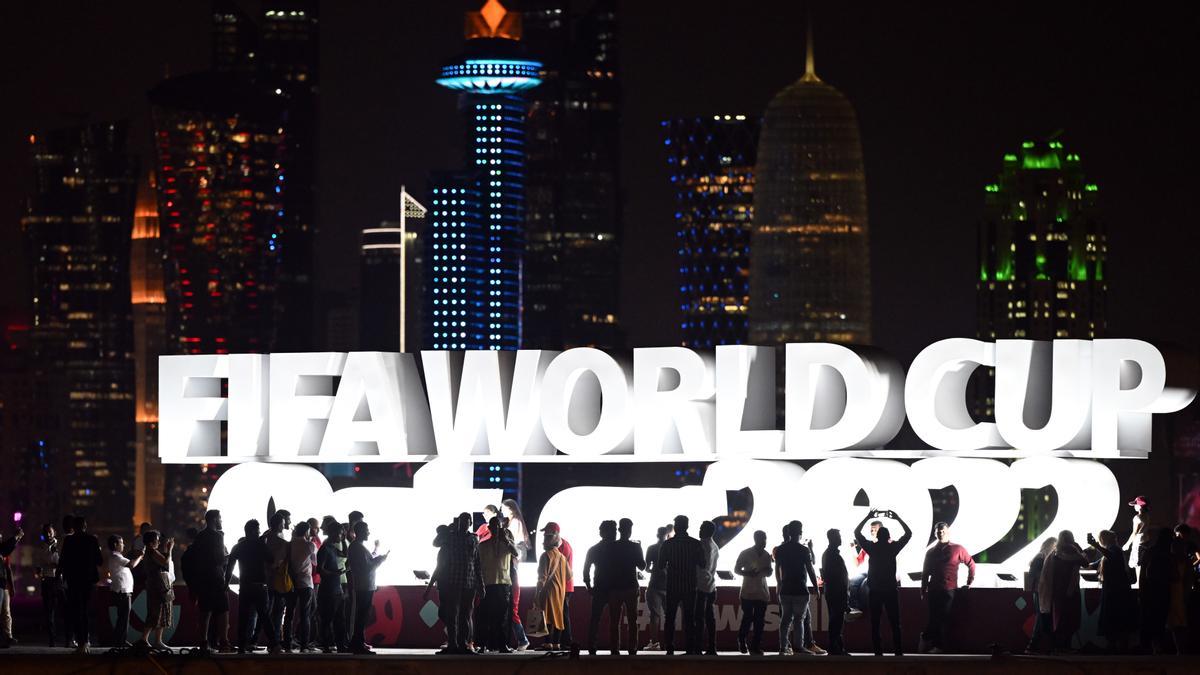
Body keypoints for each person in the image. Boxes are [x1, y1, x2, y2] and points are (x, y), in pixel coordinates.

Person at [853, 509, 912, 656]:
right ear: (889, 537)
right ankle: (898, 651)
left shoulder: (872, 547)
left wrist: (868, 516)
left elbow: (857, 532)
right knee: (895, 622)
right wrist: (898, 517)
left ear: (877, 536)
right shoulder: (893, 548)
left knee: (875, 623)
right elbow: (908, 534)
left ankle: (878, 652)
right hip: (890, 589)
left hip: (875, 590)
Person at [919, 522, 976, 654]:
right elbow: (925, 572)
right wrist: (923, 588)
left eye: (943, 531)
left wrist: (969, 582)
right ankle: (933, 644)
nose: (940, 533)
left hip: (949, 589)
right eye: (938, 532)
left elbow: (971, 564)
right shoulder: (931, 552)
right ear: (935, 534)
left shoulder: (957, 548)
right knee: (935, 617)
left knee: (943, 617)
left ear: (948, 532)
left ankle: (931, 642)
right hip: (934, 589)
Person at [226, 519, 279, 654]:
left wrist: (226, 583)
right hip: (260, 586)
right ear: (253, 531)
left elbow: (230, 566)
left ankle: (242, 646)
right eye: (258, 530)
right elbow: (271, 559)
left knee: (243, 616)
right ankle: (274, 644)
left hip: (245, 586)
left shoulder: (239, 546)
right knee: (265, 616)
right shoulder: (261, 546)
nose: (259, 532)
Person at [436, 513, 484, 654]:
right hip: (454, 581)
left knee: (465, 615)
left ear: (470, 523)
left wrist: (480, 584)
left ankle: (463, 644)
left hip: (469, 582)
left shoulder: (473, 538)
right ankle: (453, 644)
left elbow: (477, 562)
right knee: (452, 615)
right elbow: (436, 543)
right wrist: (450, 530)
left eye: (466, 521)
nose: (464, 524)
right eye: (461, 521)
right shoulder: (451, 537)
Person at [775, 520, 822, 656]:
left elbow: (777, 568)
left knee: (785, 619)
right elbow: (810, 570)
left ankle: (783, 647)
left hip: (785, 589)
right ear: (800, 532)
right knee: (799, 619)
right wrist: (816, 587)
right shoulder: (803, 550)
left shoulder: (781, 550)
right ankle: (798, 646)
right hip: (800, 590)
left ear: (788, 532)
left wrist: (779, 583)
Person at [657, 514, 703, 655]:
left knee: (670, 618)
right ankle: (690, 648)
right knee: (689, 619)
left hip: (672, 586)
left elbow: (660, 565)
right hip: (690, 586)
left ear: (675, 527)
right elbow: (703, 563)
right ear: (687, 526)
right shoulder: (695, 544)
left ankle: (670, 647)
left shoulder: (668, 544)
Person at [1037, 530, 1088, 652]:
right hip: (1070, 590)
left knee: (1059, 619)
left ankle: (1057, 646)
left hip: (1057, 591)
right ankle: (1066, 646)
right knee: (1070, 619)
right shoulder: (1071, 549)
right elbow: (1085, 563)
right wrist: (1078, 547)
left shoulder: (1055, 552)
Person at [1086, 530, 1134, 653]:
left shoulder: (1115, 550)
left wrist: (1095, 546)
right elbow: (1093, 564)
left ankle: (1116, 646)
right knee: (1116, 617)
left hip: (1116, 590)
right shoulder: (1111, 551)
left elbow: (1110, 557)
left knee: (1114, 616)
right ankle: (1117, 646)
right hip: (1115, 589)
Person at [60, 515, 102, 654]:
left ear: (74, 527)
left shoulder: (69, 540)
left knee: (76, 611)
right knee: (85, 611)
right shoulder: (92, 540)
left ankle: (81, 642)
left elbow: (63, 561)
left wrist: (59, 578)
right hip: (88, 580)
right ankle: (86, 641)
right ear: (85, 526)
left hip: (73, 580)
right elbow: (99, 561)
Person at [191, 509, 230, 652]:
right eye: (220, 518)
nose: (221, 521)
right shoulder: (218, 536)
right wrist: (229, 557)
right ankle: (224, 642)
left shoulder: (200, 536)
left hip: (203, 580)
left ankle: (203, 642)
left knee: (205, 612)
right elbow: (220, 559)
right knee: (223, 611)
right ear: (214, 519)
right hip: (217, 579)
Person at [478, 516, 518, 653]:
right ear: (489, 528)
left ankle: (502, 645)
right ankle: (482, 645)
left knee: (502, 617)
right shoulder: (483, 545)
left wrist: (506, 540)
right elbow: (478, 566)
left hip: (503, 583)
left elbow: (516, 553)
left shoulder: (507, 544)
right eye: (493, 526)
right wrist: (479, 584)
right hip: (487, 584)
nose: (495, 529)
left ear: (501, 528)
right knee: (485, 616)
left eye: (498, 527)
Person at [348, 520, 388, 654]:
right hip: (364, 586)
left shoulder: (358, 547)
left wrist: (377, 553)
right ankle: (357, 644)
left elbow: (368, 561)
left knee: (362, 615)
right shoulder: (357, 547)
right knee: (361, 616)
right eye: (367, 530)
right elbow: (368, 567)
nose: (369, 532)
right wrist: (381, 559)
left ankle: (358, 642)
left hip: (365, 585)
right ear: (360, 532)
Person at [734, 530, 772, 655]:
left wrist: (768, 571)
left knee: (759, 621)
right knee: (748, 618)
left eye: (765, 538)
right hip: (748, 592)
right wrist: (748, 573)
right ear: (756, 539)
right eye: (763, 538)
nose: (765, 541)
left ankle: (755, 646)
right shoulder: (745, 553)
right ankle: (742, 640)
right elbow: (736, 570)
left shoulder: (767, 555)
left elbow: (769, 572)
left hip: (761, 592)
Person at [583, 520, 617, 655]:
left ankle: (592, 645)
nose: (615, 533)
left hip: (599, 587)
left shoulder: (594, 549)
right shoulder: (618, 549)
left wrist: (588, 585)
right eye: (614, 530)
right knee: (615, 619)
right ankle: (614, 647)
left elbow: (586, 569)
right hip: (615, 588)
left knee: (595, 619)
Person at [500, 499, 530, 650]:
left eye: (504, 509)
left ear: (510, 509)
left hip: (516, 556)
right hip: (514, 558)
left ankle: (522, 639)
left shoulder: (515, 522)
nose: (502, 511)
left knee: (511, 609)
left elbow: (514, 543)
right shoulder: (513, 521)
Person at [262, 510, 294, 651]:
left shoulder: (263, 538)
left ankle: (268, 640)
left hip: (264, 580)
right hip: (279, 582)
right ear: (279, 524)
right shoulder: (283, 543)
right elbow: (278, 563)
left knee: (266, 612)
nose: (285, 524)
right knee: (277, 612)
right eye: (283, 523)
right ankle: (275, 641)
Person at [138, 530, 174, 652]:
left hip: (158, 586)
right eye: (157, 539)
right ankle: (145, 639)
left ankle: (156, 641)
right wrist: (170, 549)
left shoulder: (151, 552)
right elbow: (165, 562)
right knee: (156, 612)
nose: (159, 541)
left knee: (160, 612)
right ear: (151, 542)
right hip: (157, 586)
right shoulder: (152, 551)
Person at [315, 519, 348, 653]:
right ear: (333, 533)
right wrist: (334, 573)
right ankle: (326, 645)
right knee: (327, 619)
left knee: (340, 619)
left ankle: (340, 645)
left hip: (336, 589)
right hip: (328, 590)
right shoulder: (325, 549)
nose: (340, 536)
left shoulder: (333, 548)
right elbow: (320, 570)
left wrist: (344, 539)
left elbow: (345, 554)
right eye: (339, 534)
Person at [540, 522, 574, 648]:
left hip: (562, 586)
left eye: (548, 535)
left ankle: (564, 642)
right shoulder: (562, 546)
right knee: (558, 614)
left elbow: (564, 572)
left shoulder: (562, 548)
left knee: (560, 615)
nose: (545, 537)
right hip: (562, 586)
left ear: (556, 535)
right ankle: (557, 642)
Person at [104, 535, 142, 648]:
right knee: (124, 617)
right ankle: (120, 641)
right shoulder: (116, 557)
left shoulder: (116, 557)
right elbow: (132, 564)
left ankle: (119, 640)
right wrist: (140, 556)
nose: (123, 544)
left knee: (123, 617)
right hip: (122, 591)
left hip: (123, 590)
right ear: (115, 544)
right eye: (121, 542)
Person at [288, 522, 318, 652]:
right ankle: (304, 645)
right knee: (305, 614)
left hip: (291, 582)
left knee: (289, 613)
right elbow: (315, 561)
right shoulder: (309, 545)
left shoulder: (289, 545)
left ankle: (287, 643)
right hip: (306, 582)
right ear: (306, 532)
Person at [1024, 536, 1057, 654]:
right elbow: (1033, 574)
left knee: (1042, 617)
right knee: (1041, 617)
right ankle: (1034, 646)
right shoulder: (1042, 557)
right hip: (1041, 591)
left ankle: (1036, 646)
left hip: (1040, 591)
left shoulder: (1041, 556)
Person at [821, 528, 851, 656]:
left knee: (836, 621)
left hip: (833, 592)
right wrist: (844, 596)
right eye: (838, 536)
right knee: (836, 622)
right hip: (836, 593)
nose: (840, 539)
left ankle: (836, 647)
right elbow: (835, 577)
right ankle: (835, 648)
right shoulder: (833, 555)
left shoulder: (828, 554)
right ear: (833, 538)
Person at [642, 525, 671, 651]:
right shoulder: (671, 548)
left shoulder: (652, 548)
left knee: (655, 616)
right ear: (667, 535)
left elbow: (646, 567)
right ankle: (670, 642)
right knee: (670, 616)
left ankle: (654, 643)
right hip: (669, 586)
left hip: (654, 585)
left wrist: (654, 569)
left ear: (657, 534)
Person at [35, 523, 64, 647]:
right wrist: (40, 574)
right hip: (47, 580)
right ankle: (52, 638)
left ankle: (68, 637)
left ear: (54, 533)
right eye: (46, 532)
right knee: (49, 610)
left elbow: (63, 563)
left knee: (64, 609)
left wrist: (56, 565)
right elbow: (38, 565)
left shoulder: (60, 545)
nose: (48, 534)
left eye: (50, 532)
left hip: (59, 581)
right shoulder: (41, 548)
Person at [694, 520, 720, 655]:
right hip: (711, 586)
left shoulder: (702, 546)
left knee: (699, 619)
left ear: (706, 531)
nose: (698, 530)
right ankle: (711, 646)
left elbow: (702, 567)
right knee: (710, 618)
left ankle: (697, 647)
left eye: (701, 528)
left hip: (701, 586)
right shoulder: (714, 546)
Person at [1124, 496, 1150, 580]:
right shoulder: (1147, 516)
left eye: (1136, 505)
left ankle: (1139, 582)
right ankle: (1140, 582)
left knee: (1138, 564)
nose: (1134, 506)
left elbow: (1134, 532)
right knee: (1142, 563)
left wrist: (1127, 544)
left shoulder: (1137, 517)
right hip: (1146, 541)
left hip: (1138, 542)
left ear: (1140, 506)